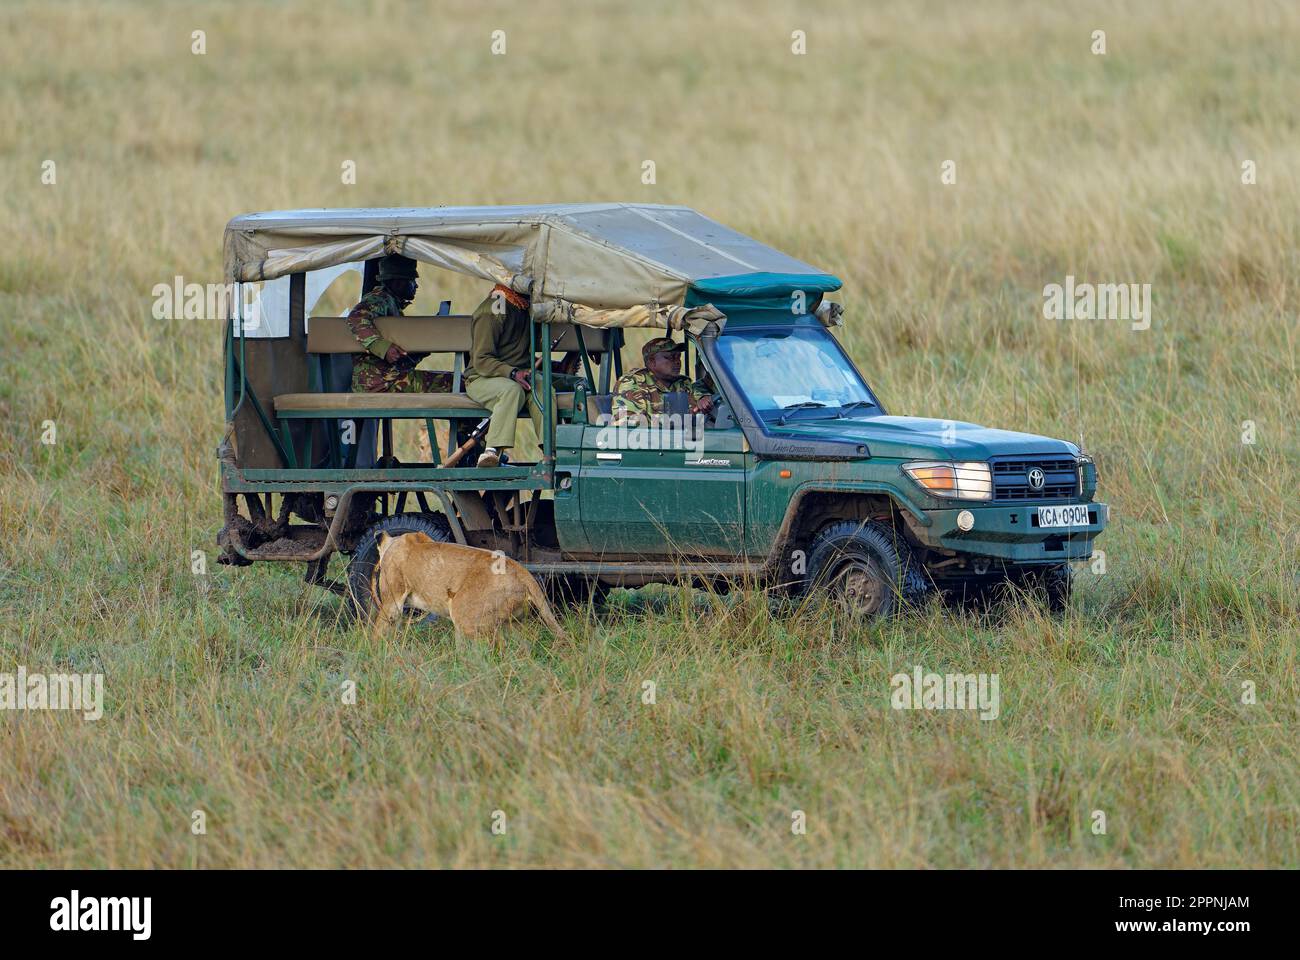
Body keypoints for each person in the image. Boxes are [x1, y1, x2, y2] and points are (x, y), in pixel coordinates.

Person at [463, 284, 554, 467]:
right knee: (511, 391)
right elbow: (481, 360)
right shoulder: (494, 309)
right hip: (482, 378)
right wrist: (512, 373)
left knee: (544, 388)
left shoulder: (525, 306)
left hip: (519, 375)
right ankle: (492, 450)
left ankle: (551, 451)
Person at [346, 255, 451, 393]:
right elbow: (355, 317)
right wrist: (383, 348)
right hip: (379, 382)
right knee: (458, 383)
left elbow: (401, 361)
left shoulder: (391, 304)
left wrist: (425, 345)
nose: (416, 285)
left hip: (387, 379)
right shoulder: (380, 298)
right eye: (412, 280)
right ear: (398, 282)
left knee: (457, 381)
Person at [610, 337, 715, 426]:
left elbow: (697, 395)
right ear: (652, 362)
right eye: (670, 357)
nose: (677, 362)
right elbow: (630, 427)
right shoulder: (632, 383)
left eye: (678, 356)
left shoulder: (681, 383)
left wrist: (703, 399)